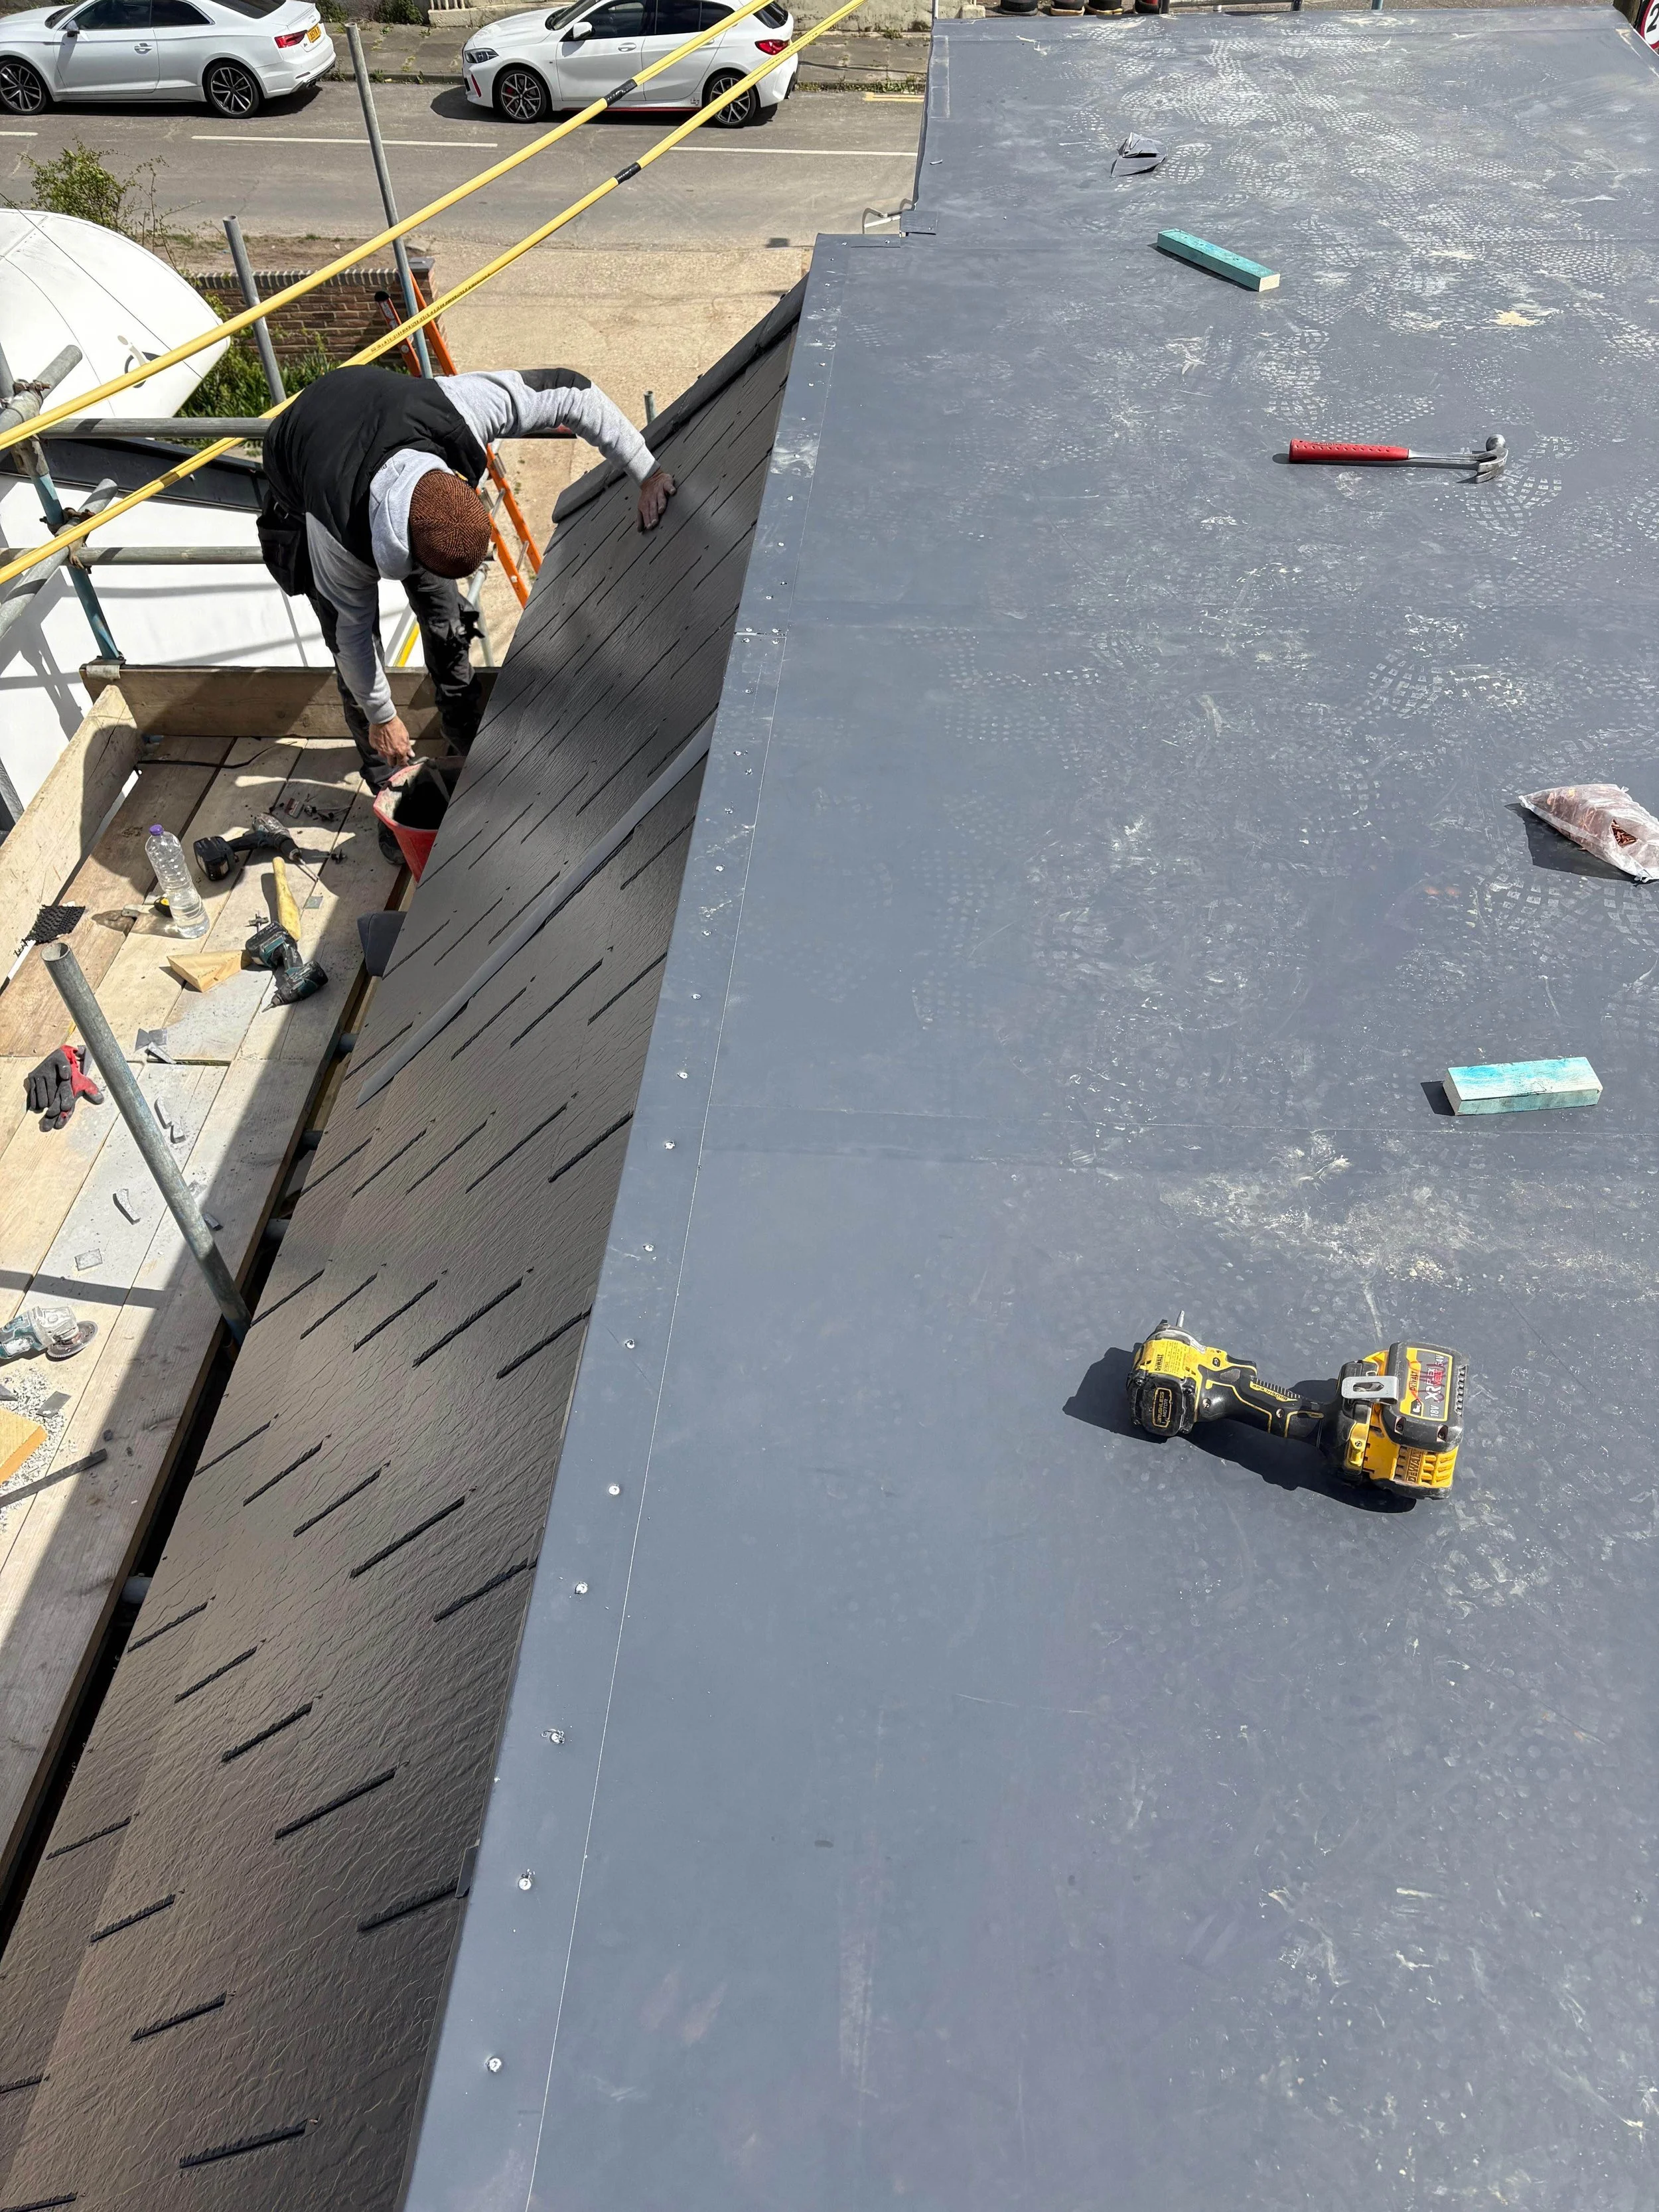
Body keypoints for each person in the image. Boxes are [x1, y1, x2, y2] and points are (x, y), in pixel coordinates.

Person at [257, 362, 675, 854]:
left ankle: (464, 743)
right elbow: (352, 637)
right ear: (406, 550)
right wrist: (383, 713)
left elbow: (573, 391)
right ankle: (389, 784)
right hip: (308, 466)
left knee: (445, 621)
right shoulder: (336, 536)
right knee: (356, 670)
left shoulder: (458, 411)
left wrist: (647, 471)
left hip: (386, 426)